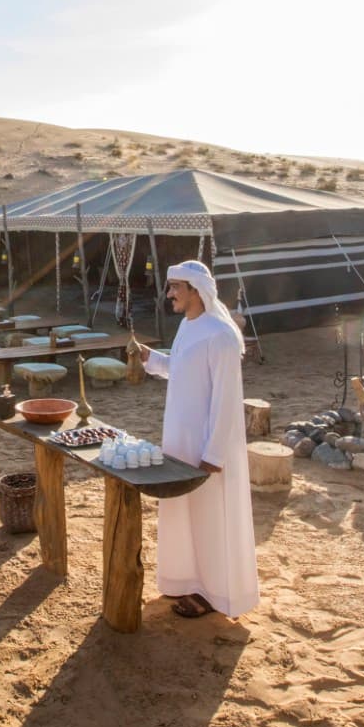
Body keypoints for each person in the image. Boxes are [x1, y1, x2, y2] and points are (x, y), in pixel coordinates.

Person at [129, 260, 259, 619]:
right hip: (180, 442)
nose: (169, 293)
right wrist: (150, 358)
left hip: (206, 447)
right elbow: (180, 368)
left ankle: (213, 594)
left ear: (196, 291)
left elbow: (227, 401)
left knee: (210, 520)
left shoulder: (221, 335)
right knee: (183, 514)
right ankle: (185, 580)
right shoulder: (188, 325)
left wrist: (214, 454)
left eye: (176, 287)